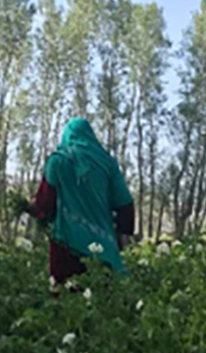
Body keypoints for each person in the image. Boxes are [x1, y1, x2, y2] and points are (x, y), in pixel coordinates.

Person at [19, 117, 135, 290]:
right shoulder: (107, 163)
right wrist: (121, 234)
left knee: (68, 304)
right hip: (103, 247)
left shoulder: (57, 161)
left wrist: (30, 208)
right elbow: (125, 204)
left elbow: (45, 204)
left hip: (66, 247)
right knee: (104, 301)